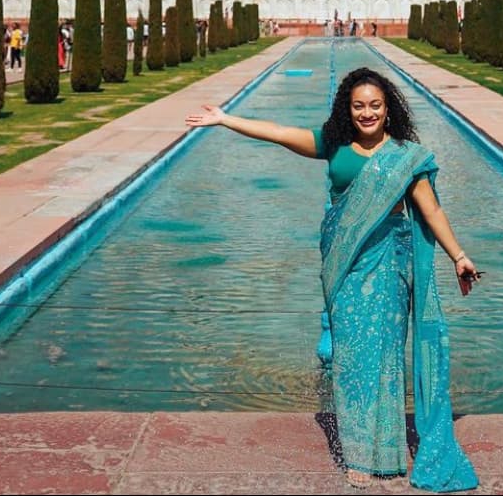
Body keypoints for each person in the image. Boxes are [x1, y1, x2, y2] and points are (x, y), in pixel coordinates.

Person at [185, 67, 480, 491]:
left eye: (375, 105)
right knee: (352, 360)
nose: (367, 113)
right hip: (345, 268)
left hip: (389, 267)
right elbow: (279, 132)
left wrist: (459, 256)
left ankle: (390, 453)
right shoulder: (334, 144)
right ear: (348, 108)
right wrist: (226, 119)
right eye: (358, 105)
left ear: (388, 110)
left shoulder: (406, 157)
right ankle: (360, 454)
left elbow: (431, 212)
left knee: (385, 360)